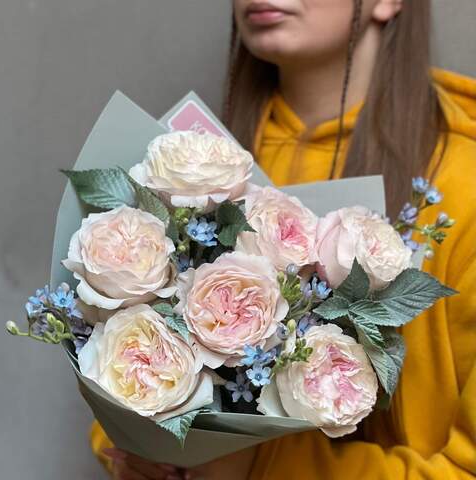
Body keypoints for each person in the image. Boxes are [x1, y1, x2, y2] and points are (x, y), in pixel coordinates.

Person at [92, 0, 476, 478]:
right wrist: (141, 447)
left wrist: (255, 465)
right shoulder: (192, 165)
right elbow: (107, 347)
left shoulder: (463, 186)